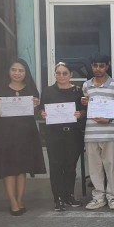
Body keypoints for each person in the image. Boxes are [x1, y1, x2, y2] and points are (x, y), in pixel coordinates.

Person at [0, 58, 46, 216]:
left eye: (21, 70)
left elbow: (37, 113)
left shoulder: (31, 89)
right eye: (14, 70)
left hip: (26, 134)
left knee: (22, 169)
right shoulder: (0, 88)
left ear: (26, 73)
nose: (17, 73)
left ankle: (20, 200)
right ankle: (13, 202)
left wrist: (37, 105)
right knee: (8, 169)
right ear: (9, 71)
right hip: (4, 134)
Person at [81, 55, 114, 210]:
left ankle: (112, 197)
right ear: (91, 66)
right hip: (91, 132)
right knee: (94, 167)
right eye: (95, 65)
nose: (98, 69)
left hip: (110, 131)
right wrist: (85, 103)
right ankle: (98, 197)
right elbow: (87, 106)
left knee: (110, 165)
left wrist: (108, 118)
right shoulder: (86, 85)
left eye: (101, 65)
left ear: (107, 66)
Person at [40, 63, 86, 211]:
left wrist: (80, 114)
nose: (61, 76)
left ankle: (69, 196)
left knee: (70, 166)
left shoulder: (78, 91)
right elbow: (41, 109)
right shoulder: (47, 91)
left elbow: (84, 110)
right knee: (56, 166)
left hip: (73, 134)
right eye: (58, 73)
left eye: (64, 73)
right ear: (55, 75)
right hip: (54, 134)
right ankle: (58, 198)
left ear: (71, 75)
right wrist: (42, 113)